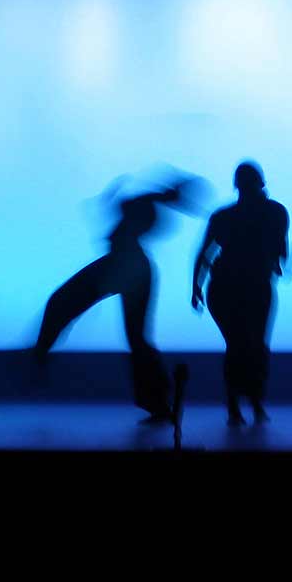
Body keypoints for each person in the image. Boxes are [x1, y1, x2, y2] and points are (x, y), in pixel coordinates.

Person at [31, 173, 204, 424]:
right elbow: (125, 206)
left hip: (126, 267)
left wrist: (149, 191)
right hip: (128, 267)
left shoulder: (148, 208)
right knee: (134, 336)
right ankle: (158, 402)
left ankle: (41, 350)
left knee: (67, 303)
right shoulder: (150, 207)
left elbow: (125, 205)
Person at [192, 162, 289, 426]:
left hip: (228, 287)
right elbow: (282, 251)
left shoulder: (225, 216)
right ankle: (249, 403)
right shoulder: (275, 212)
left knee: (240, 346)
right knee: (252, 345)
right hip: (249, 286)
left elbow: (204, 253)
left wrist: (196, 287)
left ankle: (239, 404)